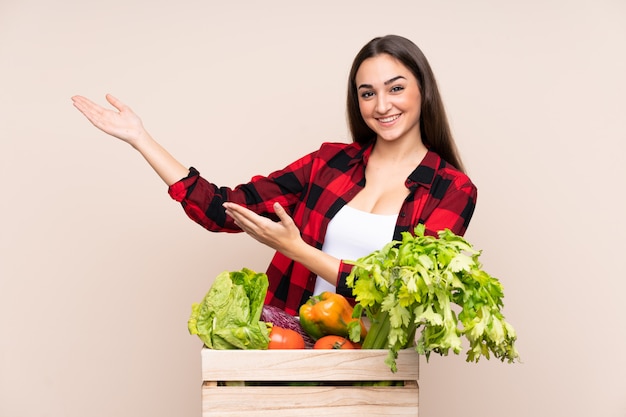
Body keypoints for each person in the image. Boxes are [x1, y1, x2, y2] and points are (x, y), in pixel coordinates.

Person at [72, 34, 477, 315]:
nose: (382, 105)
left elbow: (405, 290)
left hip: (378, 361)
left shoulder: (452, 190)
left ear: (422, 90)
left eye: (396, 88)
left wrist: (298, 249)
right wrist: (141, 139)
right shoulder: (329, 164)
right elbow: (220, 209)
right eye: (367, 92)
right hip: (291, 344)